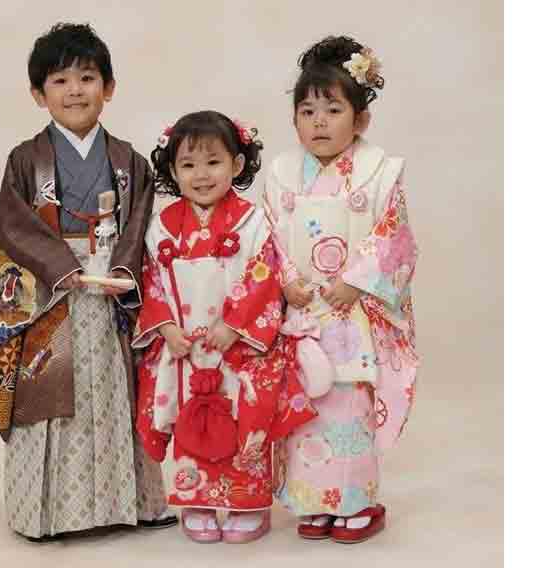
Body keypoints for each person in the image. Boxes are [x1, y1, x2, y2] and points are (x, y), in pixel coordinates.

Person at [0, 22, 174, 541]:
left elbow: (139, 224)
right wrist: (63, 267)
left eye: (88, 78)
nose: (75, 91)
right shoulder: (25, 159)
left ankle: (133, 504)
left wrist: (121, 270)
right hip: (51, 293)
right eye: (60, 81)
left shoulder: (129, 161)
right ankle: (47, 515)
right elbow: (12, 227)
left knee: (114, 392)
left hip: (110, 288)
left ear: (108, 88)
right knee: (48, 394)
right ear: (39, 94)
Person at [264, 35, 420, 544]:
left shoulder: (379, 170)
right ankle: (312, 502)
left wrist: (355, 281)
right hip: (304, 309)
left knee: (349, 403)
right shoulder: (282, 173)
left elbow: (393, 235)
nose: (320, 122)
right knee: (305, 403)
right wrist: (286, 279)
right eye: (307, 111)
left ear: (361, 118)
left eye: (333, 109)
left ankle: (356, 502)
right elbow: (267, 234)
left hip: (353, 313)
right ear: (294, 121)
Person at [133, 111, 317, 544]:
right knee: (187, 415)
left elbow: (264, 275)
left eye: (213, 162)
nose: (201, 175)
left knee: (241, 417)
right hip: (185, 345)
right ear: (173, 170)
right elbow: (151, 279)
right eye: (188, 165)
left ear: (236, 165)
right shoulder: (161, 226)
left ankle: (246, 505)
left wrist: (235, 325)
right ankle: (196, 501)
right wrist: (166, 329)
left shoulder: (252, 222)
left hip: (236, 346)